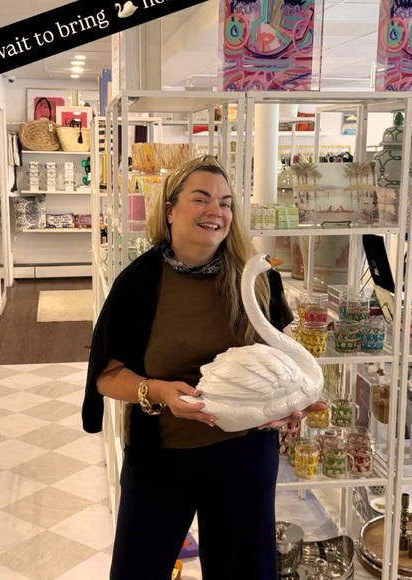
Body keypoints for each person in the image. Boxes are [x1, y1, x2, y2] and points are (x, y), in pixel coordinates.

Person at [82, 154, 324, 580]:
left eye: (226, 202)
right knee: (138, 571)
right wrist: (158, 392)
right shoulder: (138, 284)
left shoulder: (257, 281)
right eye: (201, 199)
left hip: (244, 455)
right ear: (170, 210)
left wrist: (293, 403)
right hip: (162, 456)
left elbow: (289, 357)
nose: (216, 211)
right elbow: (107, 374)